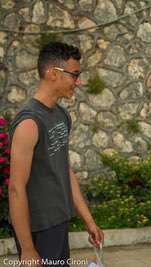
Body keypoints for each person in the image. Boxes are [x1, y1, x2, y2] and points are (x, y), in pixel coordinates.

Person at [8, 42, 104, 267]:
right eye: (74, 75)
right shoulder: (29, 122)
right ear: (53, 73)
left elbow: (64, 168)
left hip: (59, 222)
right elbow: (16, 188)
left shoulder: (61, 115)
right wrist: (29, 250)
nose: (78, 82)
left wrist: (89, 221)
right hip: (38, 229)